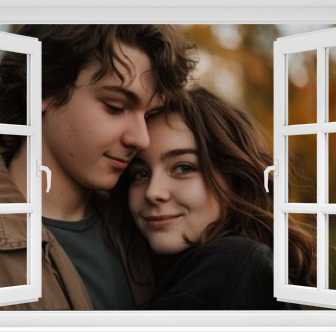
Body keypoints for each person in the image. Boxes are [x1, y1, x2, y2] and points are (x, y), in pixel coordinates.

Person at [0, 25, 196, 310]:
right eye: (115, 106)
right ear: (40, 89)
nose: (141, 139)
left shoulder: (149, 226)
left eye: (150, 115)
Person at [113, 87, 317, 310]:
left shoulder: (233, 265)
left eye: (183, 168)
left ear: (233, 178)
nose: (153, 192)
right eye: (140, 173)